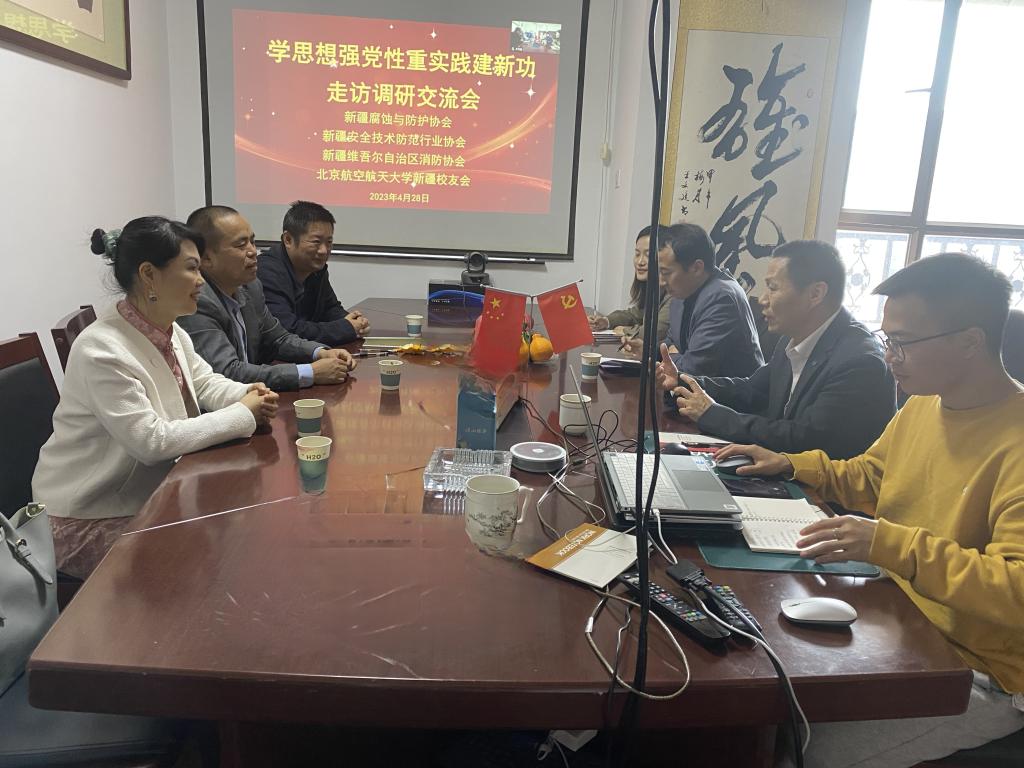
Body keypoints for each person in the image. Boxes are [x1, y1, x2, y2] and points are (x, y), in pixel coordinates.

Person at [716, 253, 1024, 767]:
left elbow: (1016, 591)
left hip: (979, 670)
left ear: (970, 342)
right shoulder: (925, 402)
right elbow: (873, 475)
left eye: (902, 342)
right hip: (902, 613)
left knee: (805, 749)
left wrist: (887, 542)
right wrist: (791, 464)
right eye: (886, 339)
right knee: (759, 685)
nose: (888, 356)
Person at [32, 217, 279, 579]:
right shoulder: (101, 349)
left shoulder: (169, 329)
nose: (200, 280)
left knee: (233, 537)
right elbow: (151, 441)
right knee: (202, 562)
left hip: (148, 494)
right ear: (149, 274)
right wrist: (243, 414)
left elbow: (204, 382)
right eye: (191, 268)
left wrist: (245, 393)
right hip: (89, 514)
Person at [655, 240, 895, 459]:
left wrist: (712, 414)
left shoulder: (860, 362)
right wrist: (683, 381)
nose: (763, 299)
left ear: (815, 294)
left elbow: (804, 439)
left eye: (773, 288)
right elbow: (752, 390)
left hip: (824, 490)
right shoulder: (794, 337)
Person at [179, 206, 356, 391]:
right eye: (241, 245)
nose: (252, 251)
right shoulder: (197, 300)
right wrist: (309, 373)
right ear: (206, 258)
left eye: (252, 241)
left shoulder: (250, 287)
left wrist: (320, 352)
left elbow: (278, 338)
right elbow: (227, 372)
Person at [627, 222, 762, 376]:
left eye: (666, 272)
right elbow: (673, 341)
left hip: (724, 391)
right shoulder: (685, 289)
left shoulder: (722, 298)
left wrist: (674, 355)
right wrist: (649, 351)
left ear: (697, 268)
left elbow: (693, 368)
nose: (661, 282)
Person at [257, 200, 370, 347]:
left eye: (329, 242)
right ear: (288, 239)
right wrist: (346, 328)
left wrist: (354, 321)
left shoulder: (315, 268)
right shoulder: (267, 272)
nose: (324, 250)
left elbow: (329, 308)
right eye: (316, 242)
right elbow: (287, 330)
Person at [587, 226, 671, 344]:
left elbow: (654, 332)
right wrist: (606, 321)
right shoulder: (653, 289)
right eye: (637, 254)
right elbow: (633, 315)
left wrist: (625, 330)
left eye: (648, 255)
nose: (640, 262)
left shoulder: (675, 294)